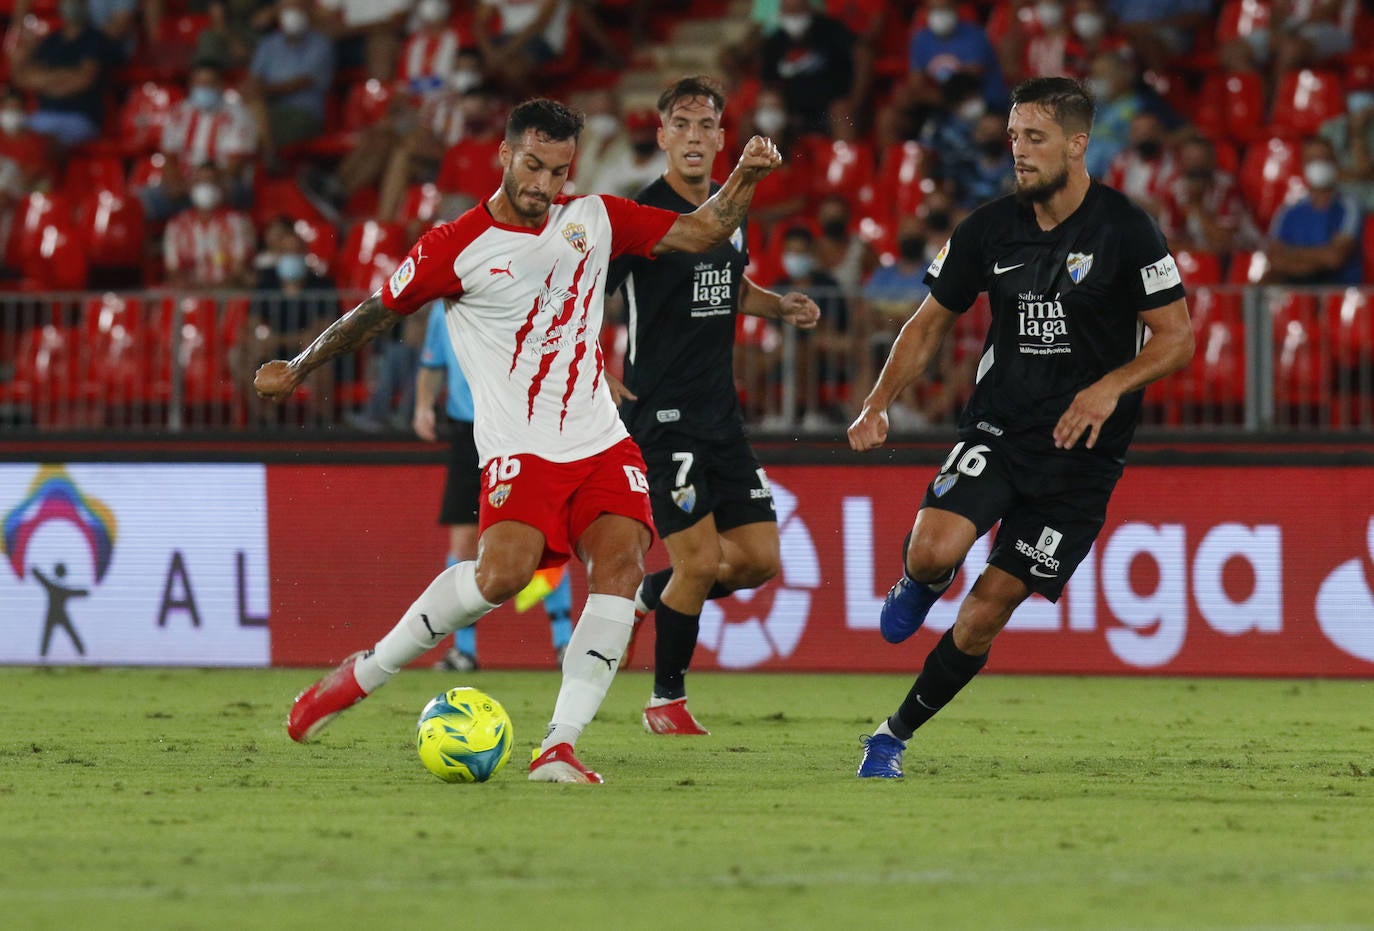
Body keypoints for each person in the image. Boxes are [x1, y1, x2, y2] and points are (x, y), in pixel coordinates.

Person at [255, 98, 783, 783]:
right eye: (533, 166)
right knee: (501, 576)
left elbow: (708, 228)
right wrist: (298, 367)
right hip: (519, 447)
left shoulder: (595, 218)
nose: (543, 185)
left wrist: (743, 175)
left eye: (558, 171)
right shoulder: (455, 246)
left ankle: (558, 745)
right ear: (504, 156)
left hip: (599, 439)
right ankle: (362, 674)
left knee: (621, 563)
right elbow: (375, 314)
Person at [847, 77, 1193, 778]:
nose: (1019, 151)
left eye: (1034, 138)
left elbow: (1176, 338)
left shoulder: (1126, 228)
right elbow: (927, 326)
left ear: (1076, 143)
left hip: (1082, 459)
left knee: (984, 613)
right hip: (1000, 429)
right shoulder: (986, 228)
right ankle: (919, 579)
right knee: (933, 547)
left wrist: (1108, 386)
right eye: (1013, 137)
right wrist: (878, 399)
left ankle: (892, 734)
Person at [605, 75, 820, 734]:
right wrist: (594, 363)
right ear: (663, 135)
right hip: (662, 413)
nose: (695, 137)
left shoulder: (731, 209)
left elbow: (723, 279)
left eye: (707, 126)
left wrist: (774, 303)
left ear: (722, 138)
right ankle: (665, 701)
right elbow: (584, 292)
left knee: (758, 560)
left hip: (719, 414)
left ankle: (650, 594)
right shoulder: (642, 214)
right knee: (699, 563)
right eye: (682, 125)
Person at [412, 298, 575, 673]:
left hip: (519, 431)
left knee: (539, 536)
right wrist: (423, 405)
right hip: (467, 434)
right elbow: (431, 363)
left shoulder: (515, 297)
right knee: (465, 543)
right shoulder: (443, 309)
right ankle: (463, 651)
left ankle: (565, 643)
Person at [1262, 135, 1364, 286]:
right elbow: (1274, 258)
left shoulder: (1349, 207)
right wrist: (1319, 255)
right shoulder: (1288, 211)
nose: (1318, 165)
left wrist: (1290, 253)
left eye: (1324, 159)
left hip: (1337, 293)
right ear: (1303, 165)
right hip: (1294, 291)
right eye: (1312, 160)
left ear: (1335, 163)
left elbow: (1335, 258)